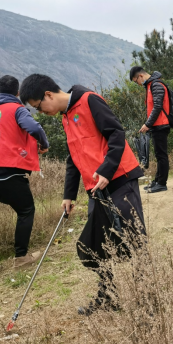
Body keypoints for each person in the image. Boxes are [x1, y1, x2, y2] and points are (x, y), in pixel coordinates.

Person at [19, 74, 146, 316]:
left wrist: (107, 170)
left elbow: (116, 133)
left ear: (48, 95)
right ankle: (108, 295)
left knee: (135, 239)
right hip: (95, 189)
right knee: (92, 246)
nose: (41, 112)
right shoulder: (66, 116)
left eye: (39, 106)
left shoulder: (89, 101)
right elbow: (73, 158)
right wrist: (69, 195)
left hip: (119, 180)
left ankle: (147, 297)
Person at [0, 75, 49, 282]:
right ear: (17, 94)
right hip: (7, 172)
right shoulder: (17, 109)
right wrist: (44, 144)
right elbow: (34, 128)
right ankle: (21, 257)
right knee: (26, 210)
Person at [130, 66, 170, 193]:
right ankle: (157, 181)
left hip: (161, 125)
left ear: (140, 76)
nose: (137, 83)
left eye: (136, 81)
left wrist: (147, 124)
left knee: (162, 155)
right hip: (156, 125)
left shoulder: (156, 85)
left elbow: (158, 106)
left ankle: (162, 183)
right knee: (159, 155)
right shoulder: (150, 85)